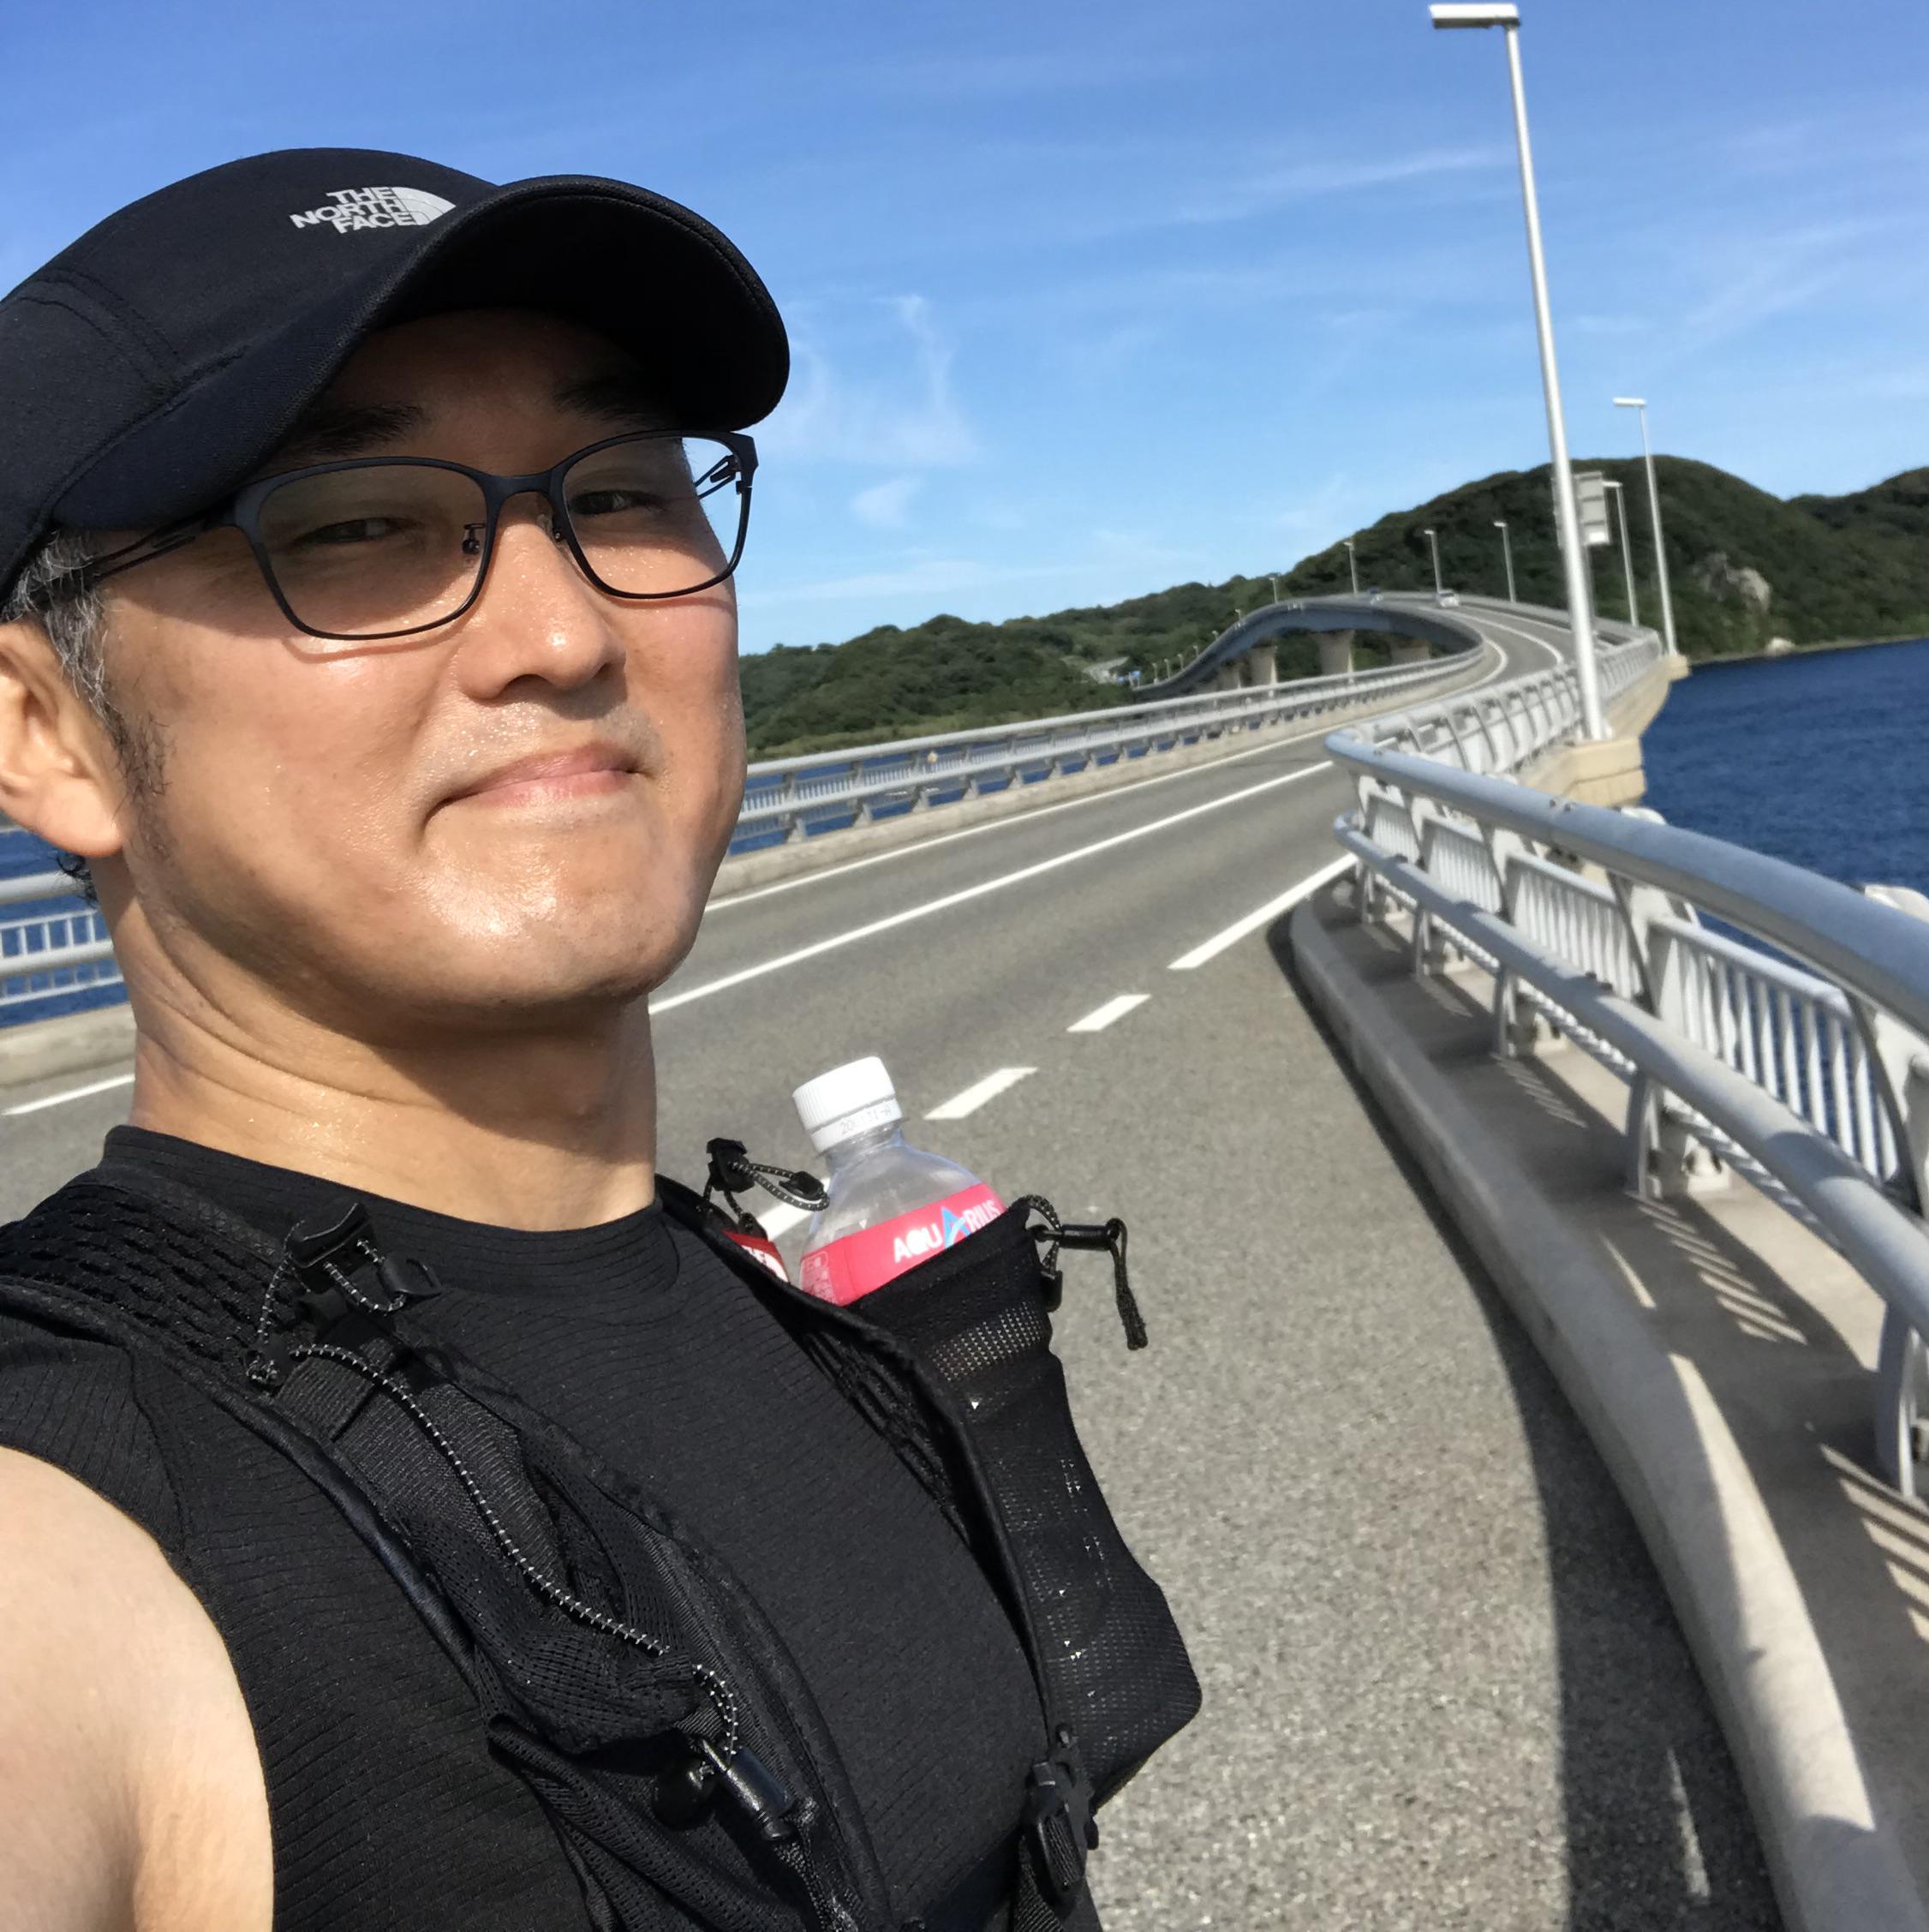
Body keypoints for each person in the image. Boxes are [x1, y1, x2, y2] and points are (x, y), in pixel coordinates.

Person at [0, 149, 1192, 1932]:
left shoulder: (768, 1310)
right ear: (43, 732)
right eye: (351, 524)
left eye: (623, 493)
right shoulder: (71, 1512)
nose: (564, 631)